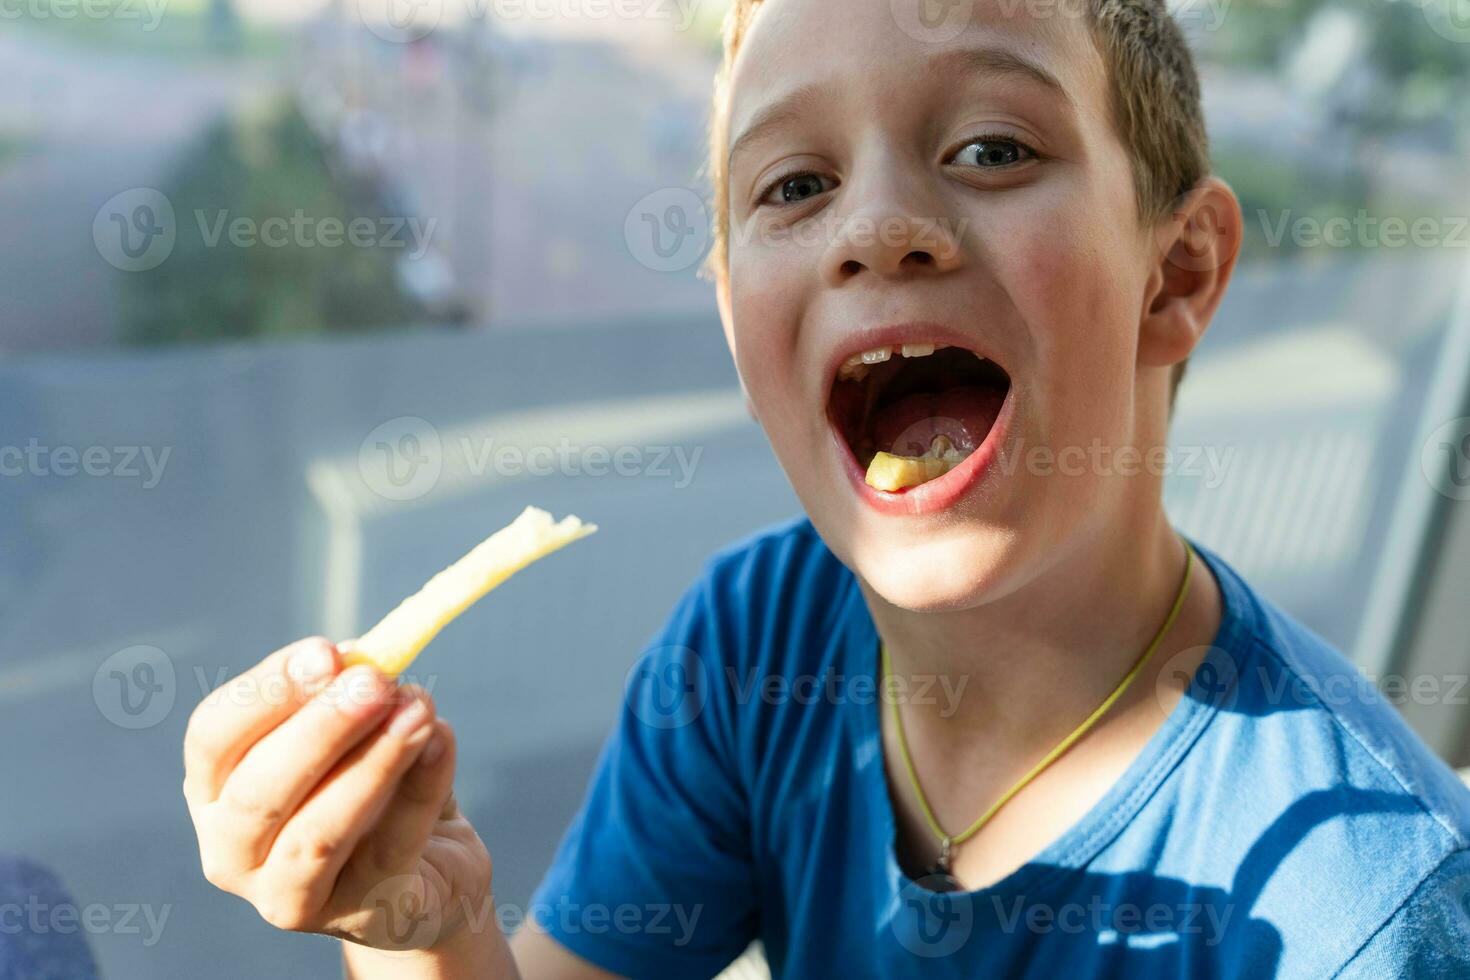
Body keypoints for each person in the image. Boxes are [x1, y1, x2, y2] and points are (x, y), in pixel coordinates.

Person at [181, 0, 1470, 975]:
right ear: (739, 318)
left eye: (990, 146)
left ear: (1175, 274)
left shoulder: (1368, 911)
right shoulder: (758, 642)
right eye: (794, 185)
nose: (877, 227)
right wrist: (426, 920)